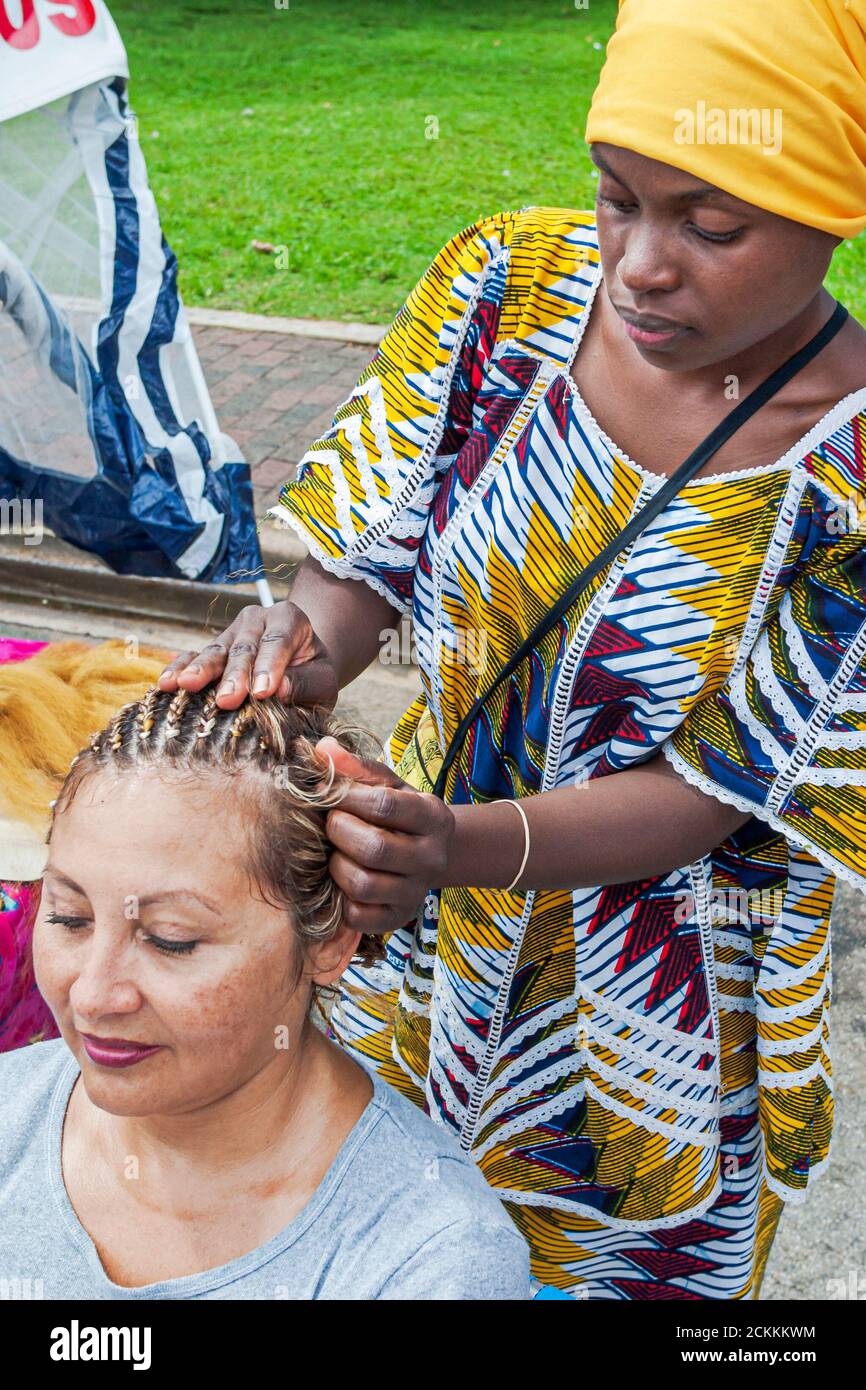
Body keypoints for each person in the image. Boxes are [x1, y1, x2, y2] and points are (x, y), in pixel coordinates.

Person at [158, 0, 866, 1298]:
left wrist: (456, 846)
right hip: (397, 958)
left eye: (711, 224)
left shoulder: (847, 486)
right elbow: (361, 566)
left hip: (641, 1042)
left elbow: (716, 793)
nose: (640, 263)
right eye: (617, 199)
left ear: (831, 210)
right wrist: (290, 646)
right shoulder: (504, 293)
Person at [0, 687, 530, 1300]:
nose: (93, 997)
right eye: (69, 917)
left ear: (329, 942)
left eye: (170, 941)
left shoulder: (429, 1261)